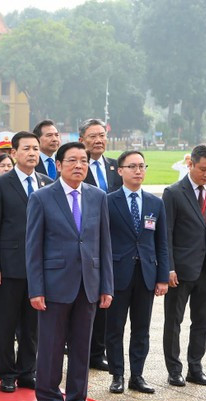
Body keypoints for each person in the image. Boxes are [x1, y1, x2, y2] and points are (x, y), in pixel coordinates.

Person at [26, 141, 113, 401]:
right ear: (59, 165)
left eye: (84, 161)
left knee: (81, 347)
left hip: (88, 283)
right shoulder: (42, 197)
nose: (79, 166)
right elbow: (33, 246)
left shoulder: (98, 196)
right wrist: (36, 289)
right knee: (50, 347)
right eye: (73, 160)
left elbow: (104, 244)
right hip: (54, 285)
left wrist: (106, 286)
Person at [0, 131, 52, 393]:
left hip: (40, 267)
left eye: (36, 149)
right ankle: (7, 373)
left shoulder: (48, 183)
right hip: (10, 265)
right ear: (13, 153)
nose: (32, 153)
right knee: (7, 322)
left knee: (33, 323)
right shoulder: (0, 184)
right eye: (26, 149)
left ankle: (28, 371)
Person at [162, 144, 206, 387]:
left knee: (202, 322)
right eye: (203, 169)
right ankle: (174, 369)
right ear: (191, 163)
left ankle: (195, 368)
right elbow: (166, 235)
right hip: (180, 271)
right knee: (174, 322)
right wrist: (168, 267)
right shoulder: (173, 193)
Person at [105, 151, 169, 395]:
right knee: (115, 328)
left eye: (142, 166)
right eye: (132, 166)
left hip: (145, 275)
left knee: (141, 328)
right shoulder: (108, 201)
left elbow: (162, 243)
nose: (138, 171)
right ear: (120, 170)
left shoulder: (155, 203)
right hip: (118, 274)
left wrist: (162, 277)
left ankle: (137, 375)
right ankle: (117, 375)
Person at [80, 118, 122, 372]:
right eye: (93, 136)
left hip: (113, 242)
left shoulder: (116, 167)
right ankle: (85, 350)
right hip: (86, 240)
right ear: (82, 139)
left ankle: (99, 351)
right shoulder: (77, 165)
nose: (98, 140)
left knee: (107, 299)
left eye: (102, 135)